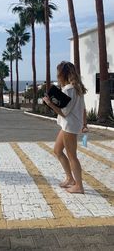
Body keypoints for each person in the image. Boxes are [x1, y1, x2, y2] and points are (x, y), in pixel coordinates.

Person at [43, 61, 87, 194]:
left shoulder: (69, 89)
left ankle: (79, 186)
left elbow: (64, 112)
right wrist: (84, 124)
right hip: (70, 125)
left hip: (69, 126)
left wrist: (49, 103)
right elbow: (83, 109)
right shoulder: (77, 87)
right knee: (57, 150)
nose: (57, 76)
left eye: (58, 73)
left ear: (63, 74)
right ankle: (70, 178)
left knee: (72, 156)